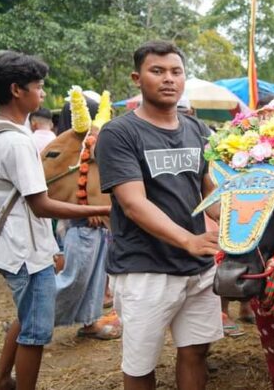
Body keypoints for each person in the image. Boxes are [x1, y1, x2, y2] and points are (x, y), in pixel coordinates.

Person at [95, 40, 223, 390]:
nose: (168, 79)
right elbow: (133, 203)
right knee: (141, 365)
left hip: (198, 267)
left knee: (196, 351)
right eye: (157, 71)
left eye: (176, 71)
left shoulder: (197, 130)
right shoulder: (120, 133)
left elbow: (208, 190)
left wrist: (240, 222)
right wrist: (188, 239)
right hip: (144, 269)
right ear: (138, 78)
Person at [0, 51, 110, 390]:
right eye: (37, 87)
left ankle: (0, 382)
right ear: (16, 90)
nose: (41, 93)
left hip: (10, 244)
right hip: (26, 251)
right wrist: (101, 210)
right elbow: (41, 206)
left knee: (25, 319)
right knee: (36, 332)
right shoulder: (17, 143)